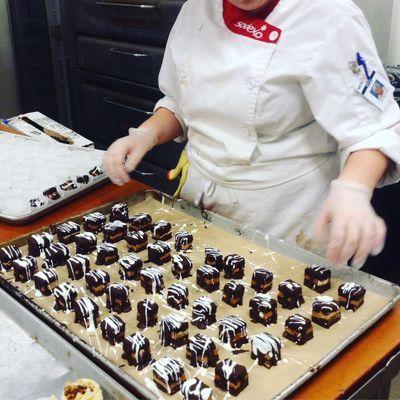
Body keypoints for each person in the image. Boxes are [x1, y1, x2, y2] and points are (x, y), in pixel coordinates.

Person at [103, 0, 400, 268]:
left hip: (285, 221)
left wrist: (354, 190)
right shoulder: (196, 10)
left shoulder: (330, 19)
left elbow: (372, 130)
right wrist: (146, 134)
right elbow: (182, 102)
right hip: (198, 205)